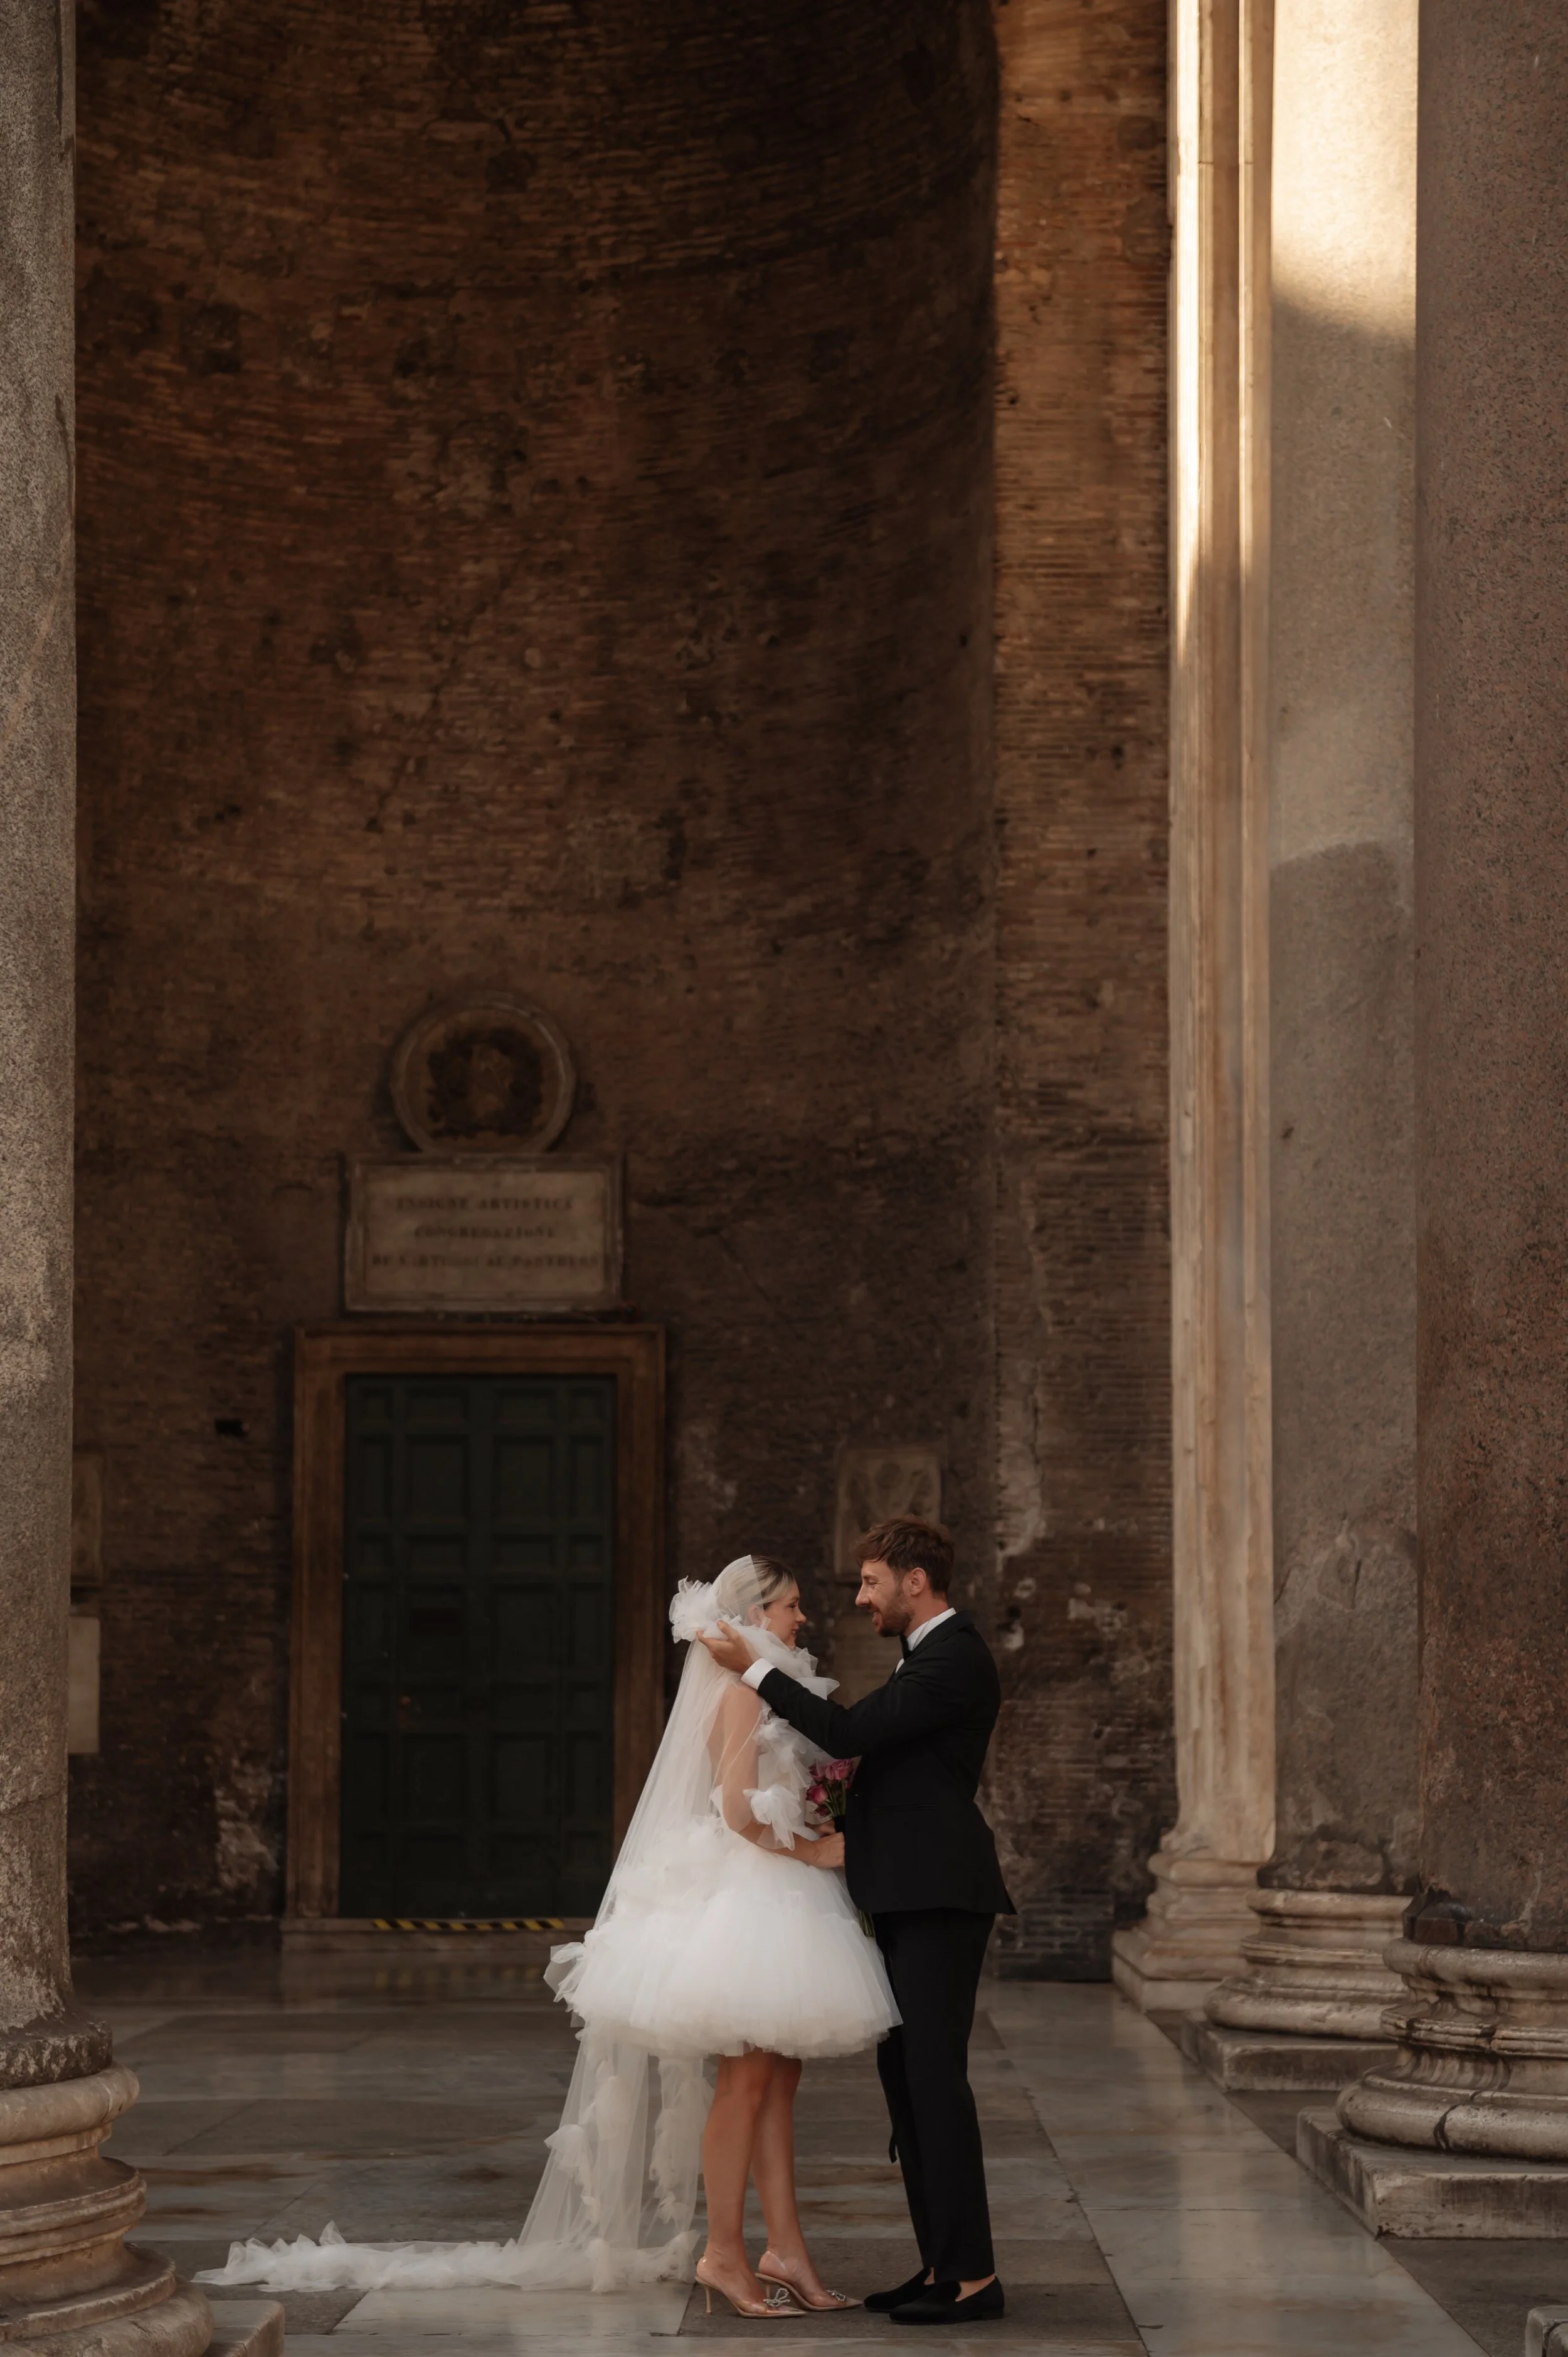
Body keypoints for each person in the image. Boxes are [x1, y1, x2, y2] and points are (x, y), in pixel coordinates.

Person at [197, 1552, 896, 2316]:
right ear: (757, 1615)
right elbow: (734, 1812)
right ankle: (724, 2253)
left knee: (779, 2078)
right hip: (757, 1892)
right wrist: (814, 1848)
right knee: (747, 2081)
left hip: (782, 1893)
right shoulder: (737, 1694)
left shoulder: (773, 1693)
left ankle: (785, 2249)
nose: (803, 1618)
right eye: (791, 1605)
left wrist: (820, 1817)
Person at [699, 1515, 1014, 2329]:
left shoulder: (955, 1655)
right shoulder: (927, 1656)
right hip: (909, 1887)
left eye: (872, 1581)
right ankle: (943, 2264)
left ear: (916, 1580)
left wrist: (757, 1670)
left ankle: (974, 2278)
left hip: (942, 1890)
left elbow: (852, 1732)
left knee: (935, 2085)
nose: (861, 1597)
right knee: (909, 2084)